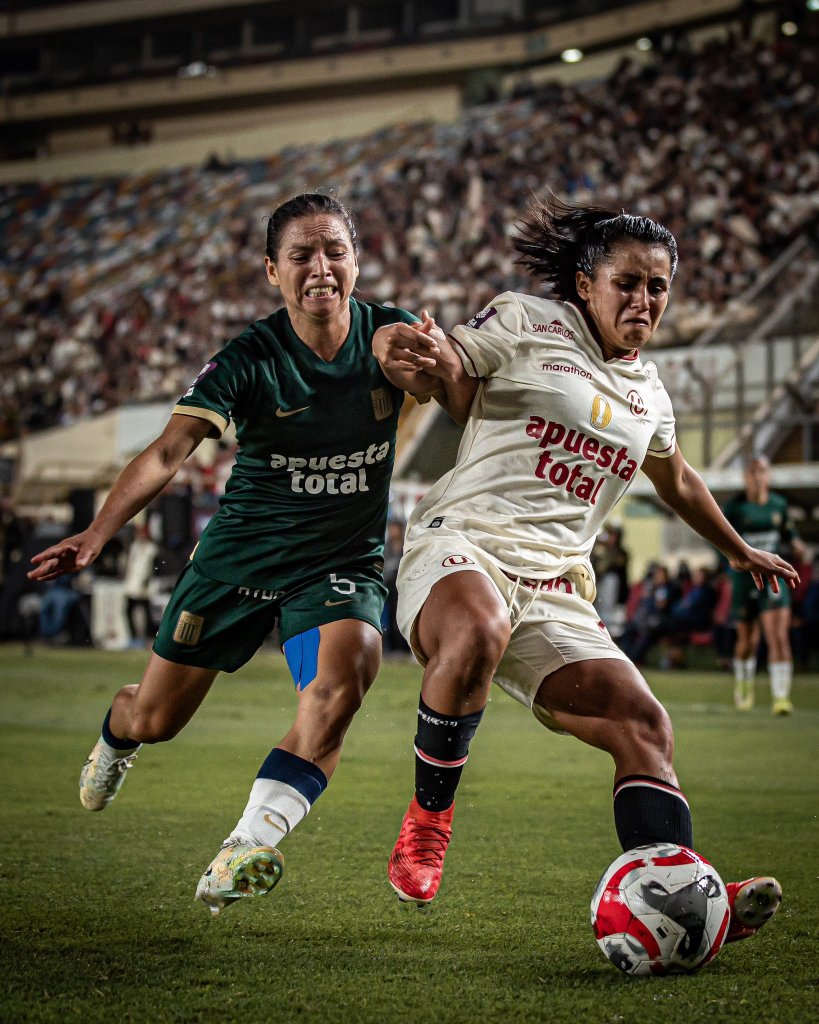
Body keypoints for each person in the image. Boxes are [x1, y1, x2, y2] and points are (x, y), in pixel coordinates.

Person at [372, 198, 797, 948]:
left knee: (643, 725)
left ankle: (685, 893)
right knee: (476, 627)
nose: (642, 300)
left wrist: (736, 547)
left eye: (657, 287)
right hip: (461, 542)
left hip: (555, 584)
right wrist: (423, 359)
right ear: (585, 283)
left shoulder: (652, 395)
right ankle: (427, 824)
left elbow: (678, 481)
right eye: (626, 283)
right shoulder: (527, 321)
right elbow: (453, 366)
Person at [28, 192, 452, 916]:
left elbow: (453, 383)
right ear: (271, 271)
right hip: (236, 563)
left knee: (341, 685)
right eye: (301, 256)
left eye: (335, 251)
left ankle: (243, 847)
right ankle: (114, 735)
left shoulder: (390, 335)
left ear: (356, 260)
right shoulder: (248, 359)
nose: (321, 268)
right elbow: (167, 451)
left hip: (337, 566)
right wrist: (98, 534)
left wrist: (436, 366)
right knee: (155, 719)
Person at [723, 455, 805, 714]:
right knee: (747, 641)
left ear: (768, 476)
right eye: (753, 471)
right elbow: (718, 539)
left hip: (773, 578)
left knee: (778, 637)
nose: (758, 476)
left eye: (763, 471)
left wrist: (797, 545)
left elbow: (789, 535)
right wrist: (729, 560)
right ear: (746, 477)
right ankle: (744, 683)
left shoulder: (779, 505)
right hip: (743, 579)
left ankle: (781, 697)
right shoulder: (735, 508)